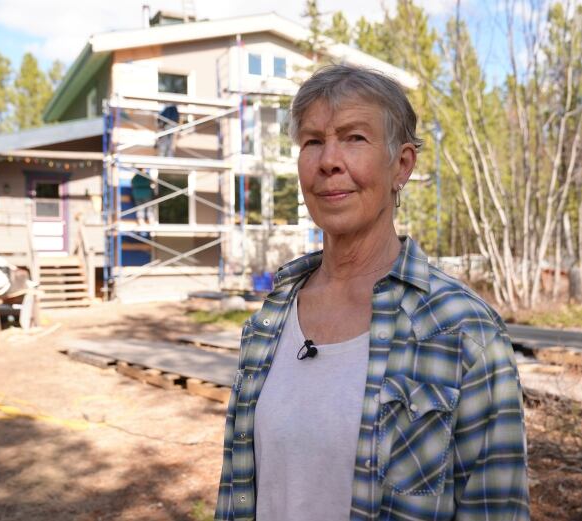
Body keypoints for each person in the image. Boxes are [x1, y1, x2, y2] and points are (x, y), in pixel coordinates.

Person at [215, 65, 529, 521]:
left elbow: (495, 510)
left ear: (401, 164)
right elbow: (238, 490)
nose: (329, 161)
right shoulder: (271, 319)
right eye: (313, 141)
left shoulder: (464, 331)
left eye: (354, 138)